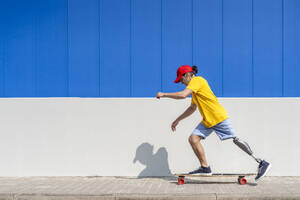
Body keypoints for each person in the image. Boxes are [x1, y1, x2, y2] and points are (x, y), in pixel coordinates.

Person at [156, 65, 271, 181]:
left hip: (217, 117)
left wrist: (164, 94)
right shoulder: (194, 89)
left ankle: (261, 162)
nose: (181, 82)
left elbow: (183, 95)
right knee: (193, 139)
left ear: (187, 75)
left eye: (181, 79)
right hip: (208, 120)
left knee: (235, 140)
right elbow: (192, 108)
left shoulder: (197, 81)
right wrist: (177, 120)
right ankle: (205, 167)